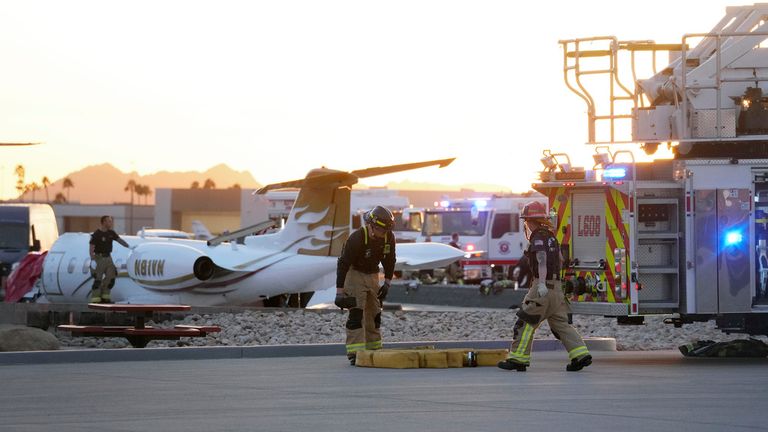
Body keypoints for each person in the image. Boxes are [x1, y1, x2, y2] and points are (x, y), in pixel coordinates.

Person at [497, 201, 592, 372]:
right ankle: (581, 354)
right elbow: (561, 261)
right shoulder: (551, 237)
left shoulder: (538, 238)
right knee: (560, 324)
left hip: (543, 287)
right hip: (557, 289)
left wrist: (541, 283)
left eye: (526, 220)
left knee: (526, 322)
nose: (526, 223)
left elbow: (540, 258)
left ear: (530, 221)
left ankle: (518, 358)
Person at [335, 205, 397, 365]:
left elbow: (389, 260)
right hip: (354, 274)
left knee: (374, 313)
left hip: (373, 275)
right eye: (382, 231)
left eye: (386, 231)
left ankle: (374, 350)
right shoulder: (357, 238)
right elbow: (343, 264)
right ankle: (356, 353)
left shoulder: (388, 237)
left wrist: (387, 283)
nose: (384, 234)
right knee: (357, 313)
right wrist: (339, 292)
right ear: (372, 225)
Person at [89, 215, 131, 303]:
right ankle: (96, 298)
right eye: (109, 221)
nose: (110, 223)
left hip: (108, 257)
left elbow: (119, 240)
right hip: (99, 258)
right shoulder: (97, 234)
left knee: (111, 277)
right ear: (103, 222)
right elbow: (92, 247)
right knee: (98, 279)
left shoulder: (111, 233)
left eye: (111, 221)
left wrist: (129, 246)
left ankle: (105, 296)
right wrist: (93, 259)